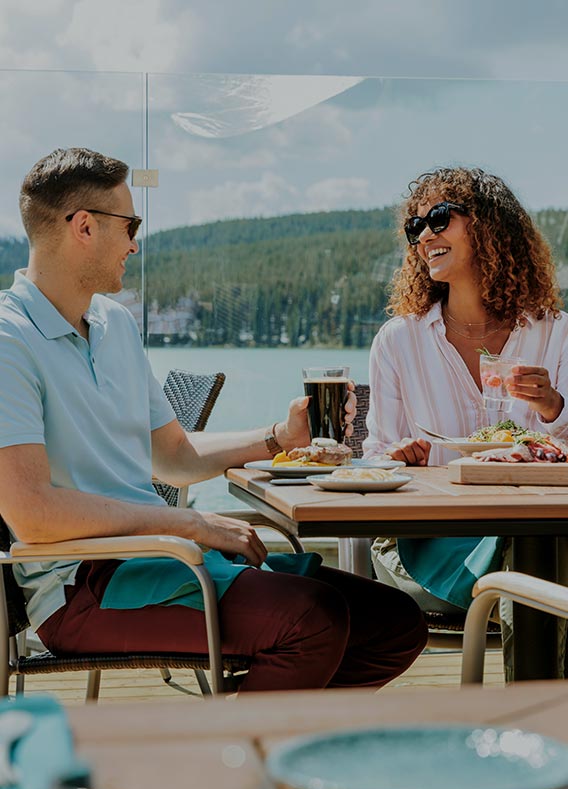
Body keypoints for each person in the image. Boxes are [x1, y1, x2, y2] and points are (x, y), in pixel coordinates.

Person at [0, 147, 427, 693]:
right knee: (312, 620)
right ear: (84, 226)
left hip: (163, 559)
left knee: (394, 624)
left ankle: (266, 732)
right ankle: (234, 763)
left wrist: (277, 438)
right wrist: (190, 524)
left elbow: (174, 458)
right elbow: (32, 515)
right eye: (130, 224)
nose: (135, 242)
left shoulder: (113, 325)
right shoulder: (11, 341)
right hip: (84, 587)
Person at [363, 166, 568, 675]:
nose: (425, 234)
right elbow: (373, 457)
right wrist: (395, 459)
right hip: (430, 538)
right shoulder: (400, 339)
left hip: (544, 529)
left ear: (491, 226)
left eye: (438, 218)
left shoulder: (556, 333)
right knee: (537, 556)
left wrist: (554, 409)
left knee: (538, 545)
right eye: (415, 228)